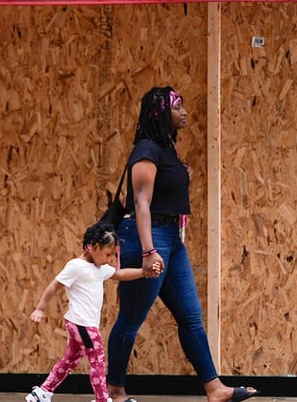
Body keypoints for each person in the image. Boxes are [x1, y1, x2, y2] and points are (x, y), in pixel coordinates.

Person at [105, 87, 259, 402]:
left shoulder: (166, 150)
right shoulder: (146, 148)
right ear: (161, 113)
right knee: (131, 319)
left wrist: (181, 173)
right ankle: (114, 390)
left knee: (190, 317)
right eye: (177, 106)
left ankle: (215, 389)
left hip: (172, 239)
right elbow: (141, 202)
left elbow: (163, 189)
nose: (184, 111)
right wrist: (149, 252)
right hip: (145, 238)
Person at [25, 221, 161, 402]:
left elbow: (120, 274)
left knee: (70, 360)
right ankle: (102, 399)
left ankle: (42, 393)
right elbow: (54, 285)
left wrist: (144, 272)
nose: (109, 259)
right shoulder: (75, 266)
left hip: (82, 324)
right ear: (94, 247)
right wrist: (40, 308)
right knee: (97, 359)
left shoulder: (100, 268)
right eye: (107, 254)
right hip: (82, 323)